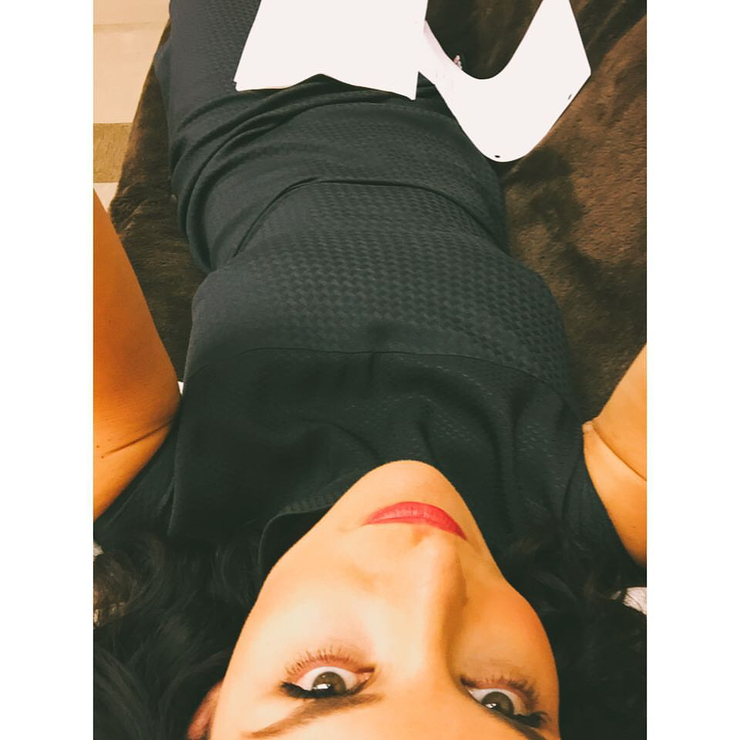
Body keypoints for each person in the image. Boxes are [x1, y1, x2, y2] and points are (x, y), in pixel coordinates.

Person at [93, 1, 647, 738]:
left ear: (207, 716)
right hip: (454, 114)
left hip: (262, 102)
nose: (432, 569)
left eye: (324, 684)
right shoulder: (584, 530)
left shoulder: (165, 504)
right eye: (501, 702)